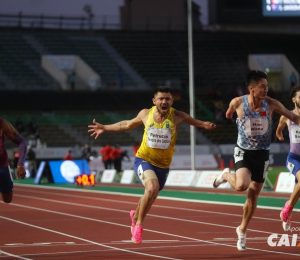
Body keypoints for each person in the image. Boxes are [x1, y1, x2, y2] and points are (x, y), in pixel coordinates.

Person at [88, 86, 216, 244]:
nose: (164, 101)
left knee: (150, 196)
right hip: (144, 159)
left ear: (171, 101)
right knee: (151, 187)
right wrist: (105, 128)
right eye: (161, 98)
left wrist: (205, 124)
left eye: (167, 99)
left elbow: (195, 122)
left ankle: (135, 216)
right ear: (154, 101)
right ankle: (138, 226)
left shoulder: (177, 116)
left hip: (163, 165)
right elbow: (126, 124)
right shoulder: (145, 114)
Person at [212, 70, 300, 251]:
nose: (266, 89)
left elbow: (293, 116)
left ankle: (242, 230)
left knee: (253, 194)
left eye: (267, 86)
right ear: (251, 89)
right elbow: (228, 115)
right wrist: (235, 118)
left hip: (262, 154)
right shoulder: (237, 103)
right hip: (244, 151)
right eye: (262, 87)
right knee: (240, 186)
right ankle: (227, 175)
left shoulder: (272, 104)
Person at [276, 85, 300, 231]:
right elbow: (279, 127)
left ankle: (288, 209)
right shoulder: (287, 116)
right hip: (294, 158)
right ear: (294, 99)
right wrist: (279, 133)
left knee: (298, 190)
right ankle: (287, 208)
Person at [0, 117, 27, 203]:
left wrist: (20, 164)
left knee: (8, 199)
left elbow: (22, 142)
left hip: (2, 166)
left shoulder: (1, 123)